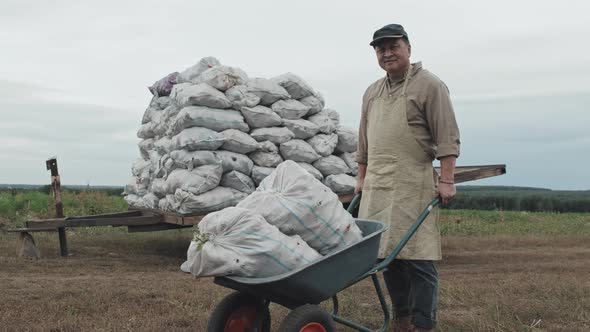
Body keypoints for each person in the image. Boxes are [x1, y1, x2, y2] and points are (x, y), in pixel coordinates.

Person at [355, 24, 460, 332]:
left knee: (418, 258)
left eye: (393, 46)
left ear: (408, 48)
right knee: (387, 255)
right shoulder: (372, 91)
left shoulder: (429, 85)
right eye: (380, 48)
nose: (387, 53)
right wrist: (361, 177)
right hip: (378, 184)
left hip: (412, 184)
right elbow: (364, 141)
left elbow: (447, 135)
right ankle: (402, 318)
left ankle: (423, 323)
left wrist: (448, 179)